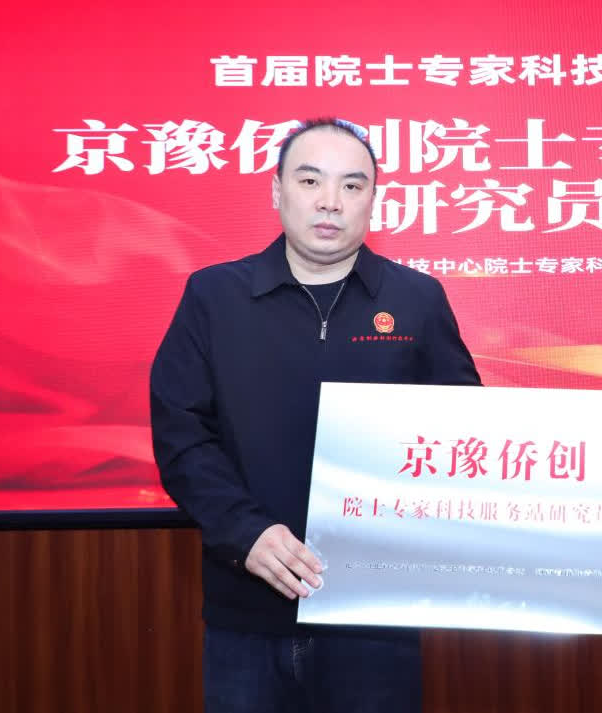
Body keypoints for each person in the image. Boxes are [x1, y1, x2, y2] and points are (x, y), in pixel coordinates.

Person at [150, 117, 481, 713]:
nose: (331, 201)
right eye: (310, 181)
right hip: (246, 609)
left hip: (377, 619)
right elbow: (181, 435)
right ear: (277, 191)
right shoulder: (214, 297)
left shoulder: (417, 299)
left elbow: (466, 435)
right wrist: (245, 532)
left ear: (374, 201)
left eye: (353, 186)